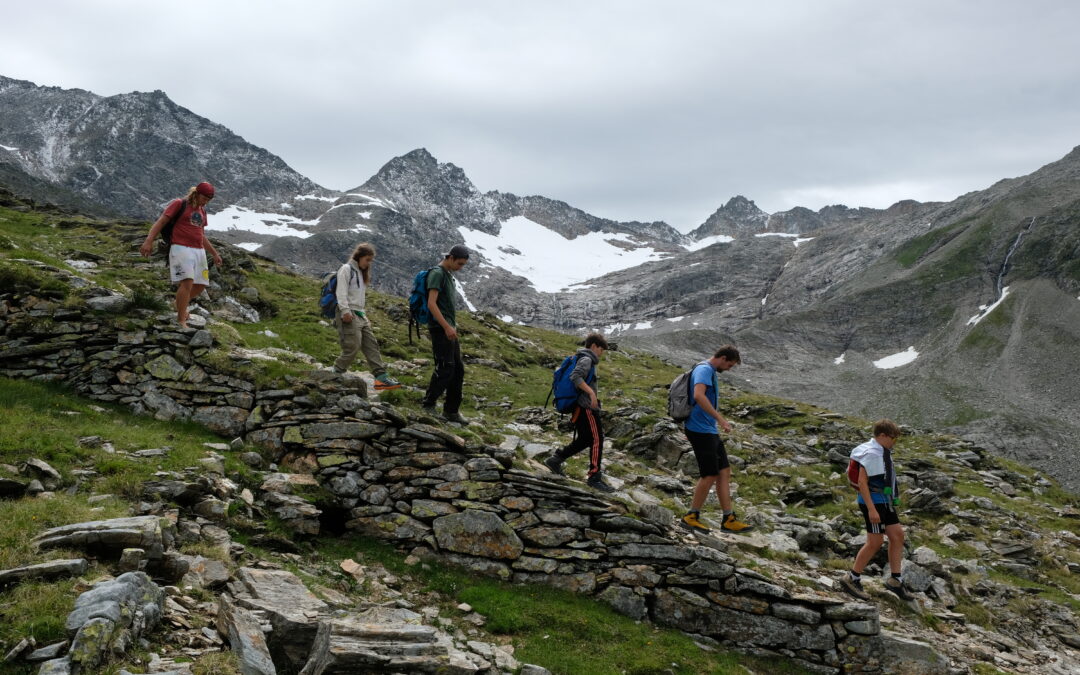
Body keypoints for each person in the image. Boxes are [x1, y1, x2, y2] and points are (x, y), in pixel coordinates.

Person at [678, 345, 753, 534]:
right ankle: (691, 516)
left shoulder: (708, 370)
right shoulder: (704, 369)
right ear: (723, 358)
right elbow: (698, 395)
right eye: (730, 365)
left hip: (708, 429)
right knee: (709, 474)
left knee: (724, 471)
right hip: (699, 429)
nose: (729, 368)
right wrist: (720, 418)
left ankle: (728, 518)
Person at [840, 419, 914, 601]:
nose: (894, 442)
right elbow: (862, 482)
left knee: (897, 535)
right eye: (892, 438)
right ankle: (852, 578)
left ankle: (896, 580)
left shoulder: (879, 449)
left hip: (883, 500)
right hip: (873, 502)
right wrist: (872, 510)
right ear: (882, 435)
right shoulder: (873, 454)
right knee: (875, 542)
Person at [139, 182, 223, 328]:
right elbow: (161, 222)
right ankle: (181, 319)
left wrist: (214, 253)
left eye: (209, 200)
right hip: (181, 247)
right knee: (187, 282)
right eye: (204, 198)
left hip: (199, 249)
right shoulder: (179, 204)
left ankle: (179, 304)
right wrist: (148, 241)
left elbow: (201, 234)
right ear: (196, 193)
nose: (206, 202)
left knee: (201, 284)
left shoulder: (202, 211)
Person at [544, 333, 616, 493]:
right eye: (601, 349)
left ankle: (555, 460)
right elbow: (575, 376)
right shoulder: (587, 359)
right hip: (586, 407)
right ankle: (594, 477)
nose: (601, 353)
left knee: (585, 439)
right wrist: (591, 394)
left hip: (579, 407)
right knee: (597, 438)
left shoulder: (579, 357)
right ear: (594, 346)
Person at [332, 242, 401, 391]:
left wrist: (363, 315)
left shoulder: (361, 273)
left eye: (370, 260)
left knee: (371, 345)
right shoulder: (346, 269)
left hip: (360, 314)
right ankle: (336, 372)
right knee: (353, 346)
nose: (369, 263)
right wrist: (345, 311)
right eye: (367, 260)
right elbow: (341, 292)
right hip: (348, 313)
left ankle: (381, 378)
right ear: (359, 257)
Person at [420, 244, 470, 423]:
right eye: (460, 263)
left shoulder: (448, 275)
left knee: (458, 369)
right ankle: (428, 404)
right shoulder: (437, 273)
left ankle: (451, 410)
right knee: (445, 367)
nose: (461, 267)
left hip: (449, 328)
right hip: (440, 328)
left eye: (463, 264)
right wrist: (446, 327)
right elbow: (432, 304)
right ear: (450, 258)